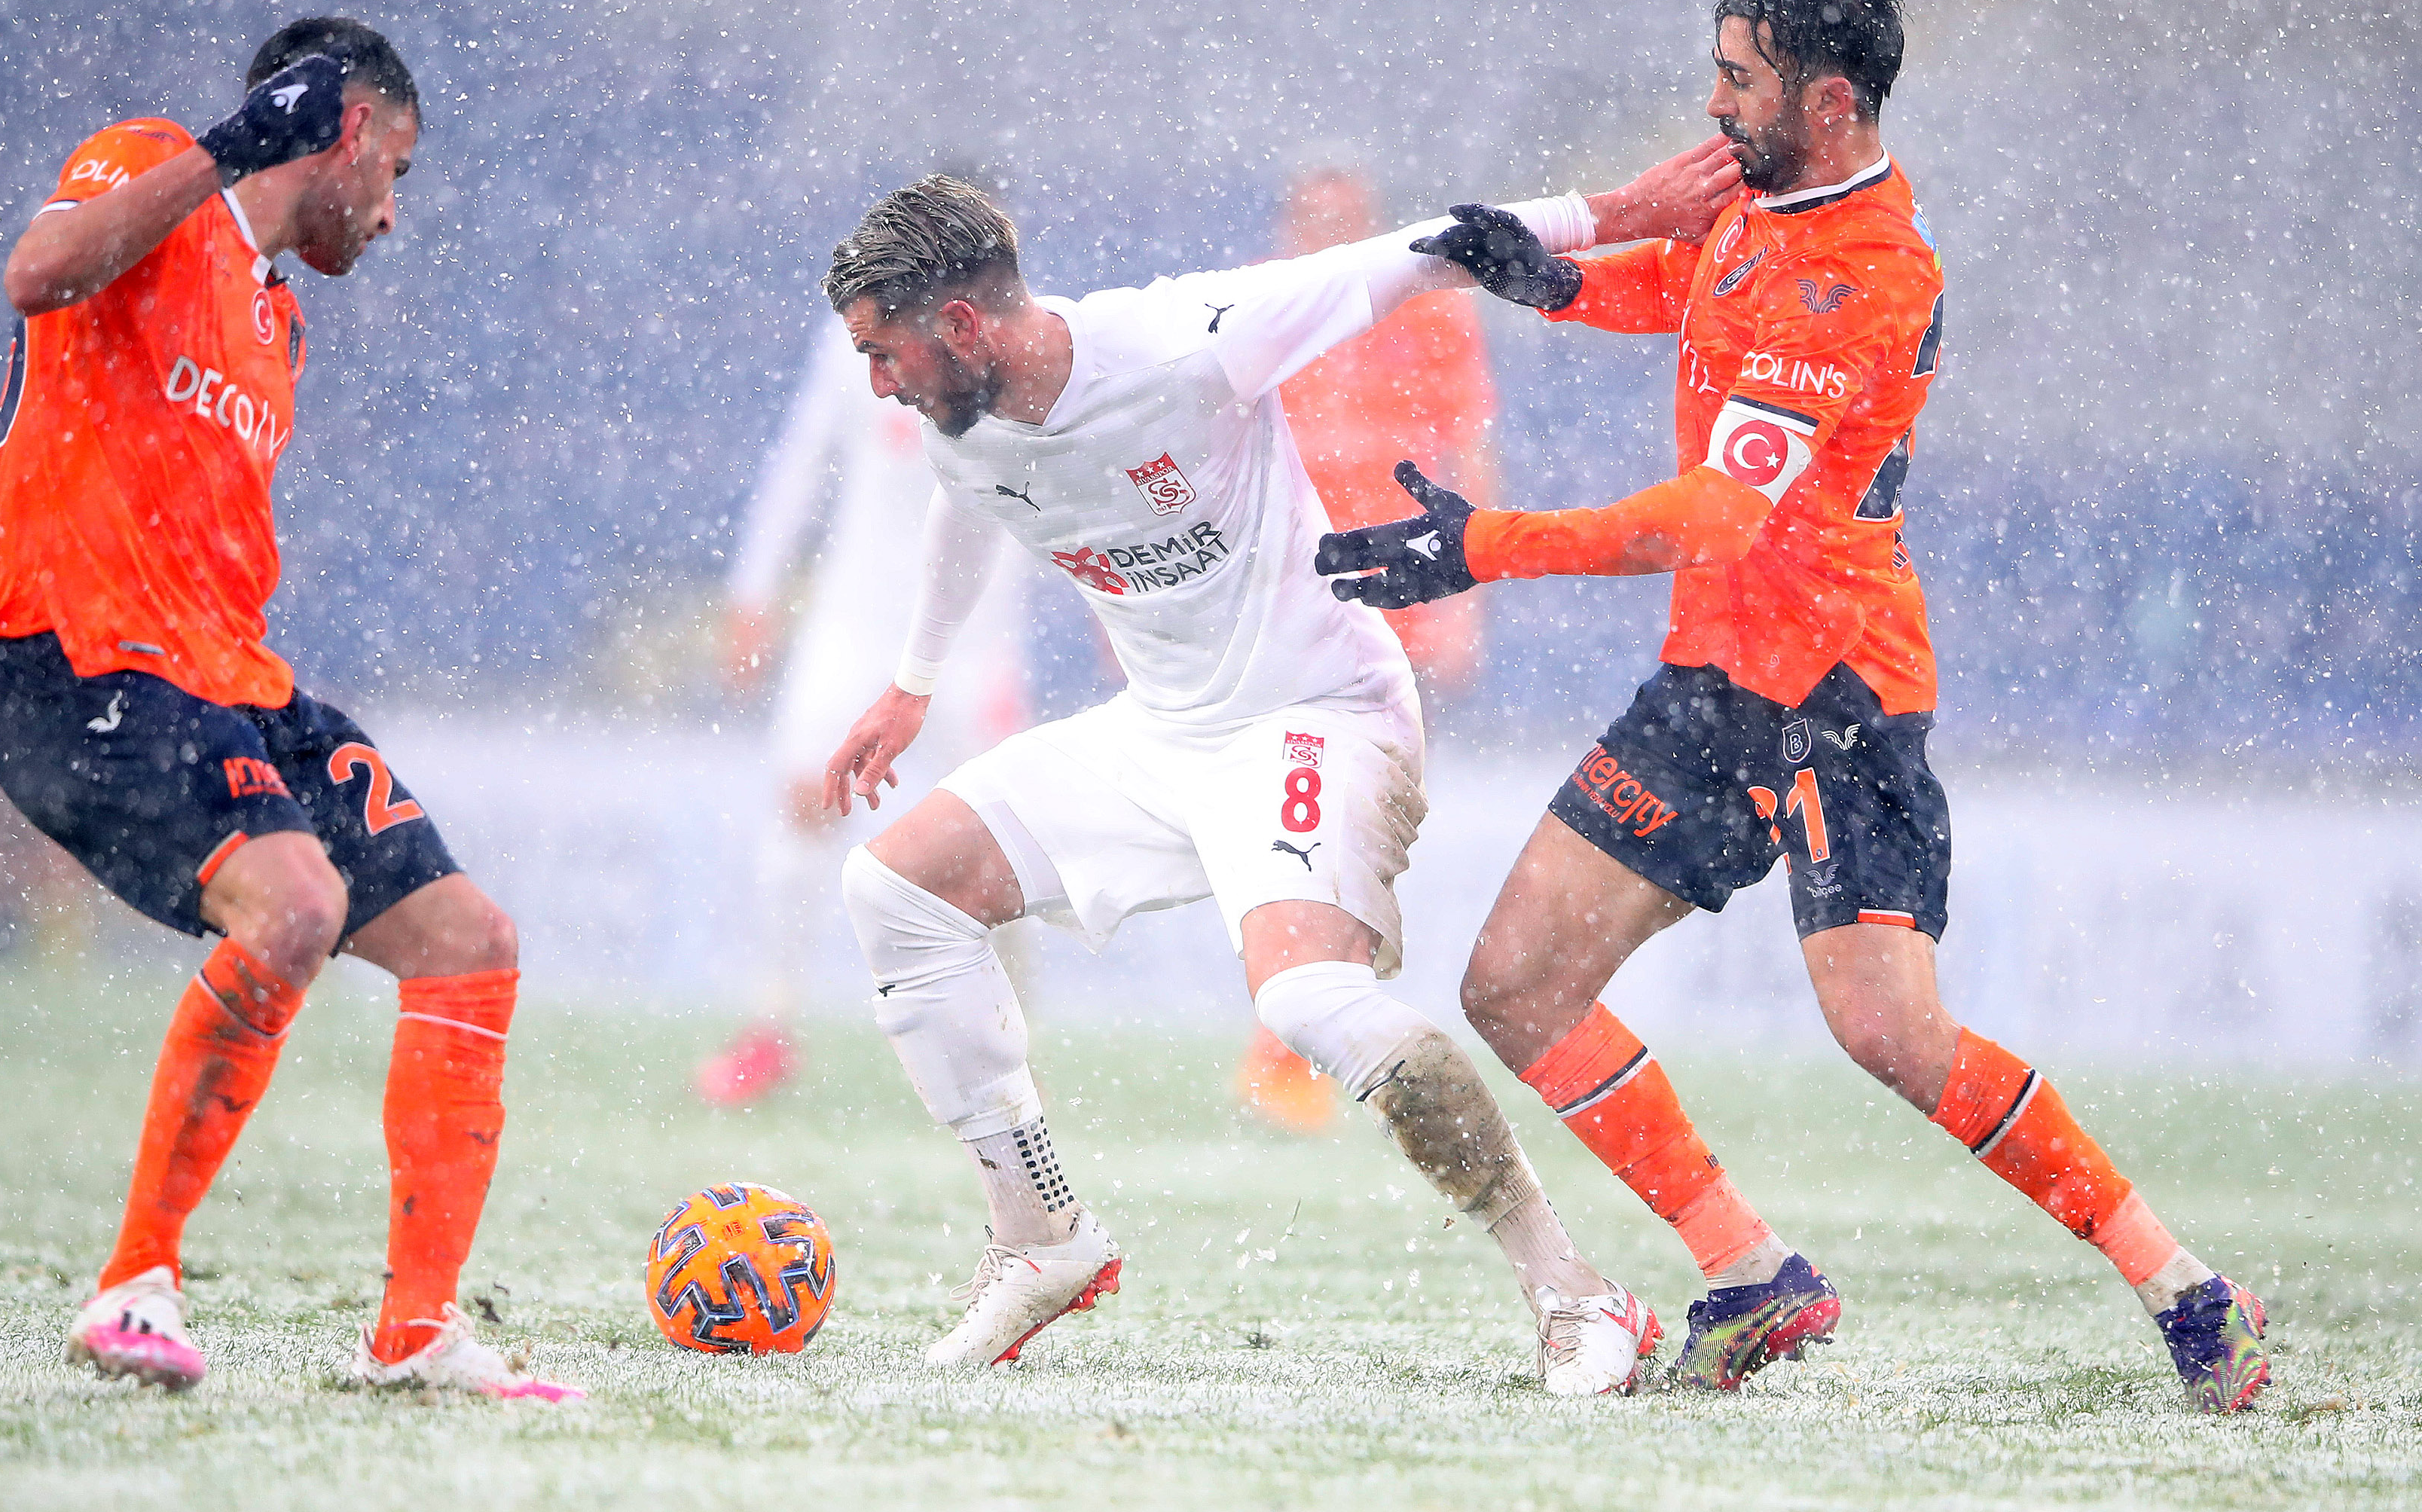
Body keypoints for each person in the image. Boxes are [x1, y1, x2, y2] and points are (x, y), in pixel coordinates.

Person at [1318, 0, 2270, 1411]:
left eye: (1739, 80)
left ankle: (2190, 1289)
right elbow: (1677, 288)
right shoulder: (1758, 202)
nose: (1713, 107)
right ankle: (1750, 1268)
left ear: (1832, 100)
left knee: (1892, 1034)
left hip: (1838, 695)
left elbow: (1717, 512)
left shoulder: (1869, 272)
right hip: (1713, 681)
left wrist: (1483, 542)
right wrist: (1547, 278)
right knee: (1514, 985)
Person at [817, 159, 1734, 1393]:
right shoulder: (962, 424)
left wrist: (1622, 211)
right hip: (1161, 731)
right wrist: (911, 680)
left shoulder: (1173, 340)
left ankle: (1577, 1294)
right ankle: (1040, 1235)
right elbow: (964, 506)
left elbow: (1420, 250)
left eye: (885, 351)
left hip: (1317, 714)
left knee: (1307, 999)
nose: (877, 381)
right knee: (893, 889)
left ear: (963, 324)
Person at [0, 17, 577, 1401]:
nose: (392, 212)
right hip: (85, 663)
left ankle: (416, 1333)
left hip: (226, 677)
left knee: (469, 943)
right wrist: (237, 142)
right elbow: (35, 273)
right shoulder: (144, 168)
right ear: (346, 131)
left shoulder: (277, 321)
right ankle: (135, 1282)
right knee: (295, 905)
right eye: (397, 170)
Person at [700, 301, 1034, 1107]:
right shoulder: (857, 335)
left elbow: (1067, 483)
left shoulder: (1026, 339)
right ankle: (769, 1026)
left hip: (974, 639)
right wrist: (754, 590)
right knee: (803, 806)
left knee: (1014, 835)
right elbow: (805, 458)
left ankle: (1017, 1049)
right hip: (855, 628)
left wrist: (1106, 601)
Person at [1238, 157, 1504, 1133]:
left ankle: (1302, 1034)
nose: (1324, 238)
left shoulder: (1424, 309)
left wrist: (1469, 590)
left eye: (1343, 221)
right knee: (1305, 813)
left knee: (1362, 819)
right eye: (1311, 220)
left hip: (1399, 589)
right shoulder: (1261, 307)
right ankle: (1300, 1033)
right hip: (1290, 590)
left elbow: (1470, 444)